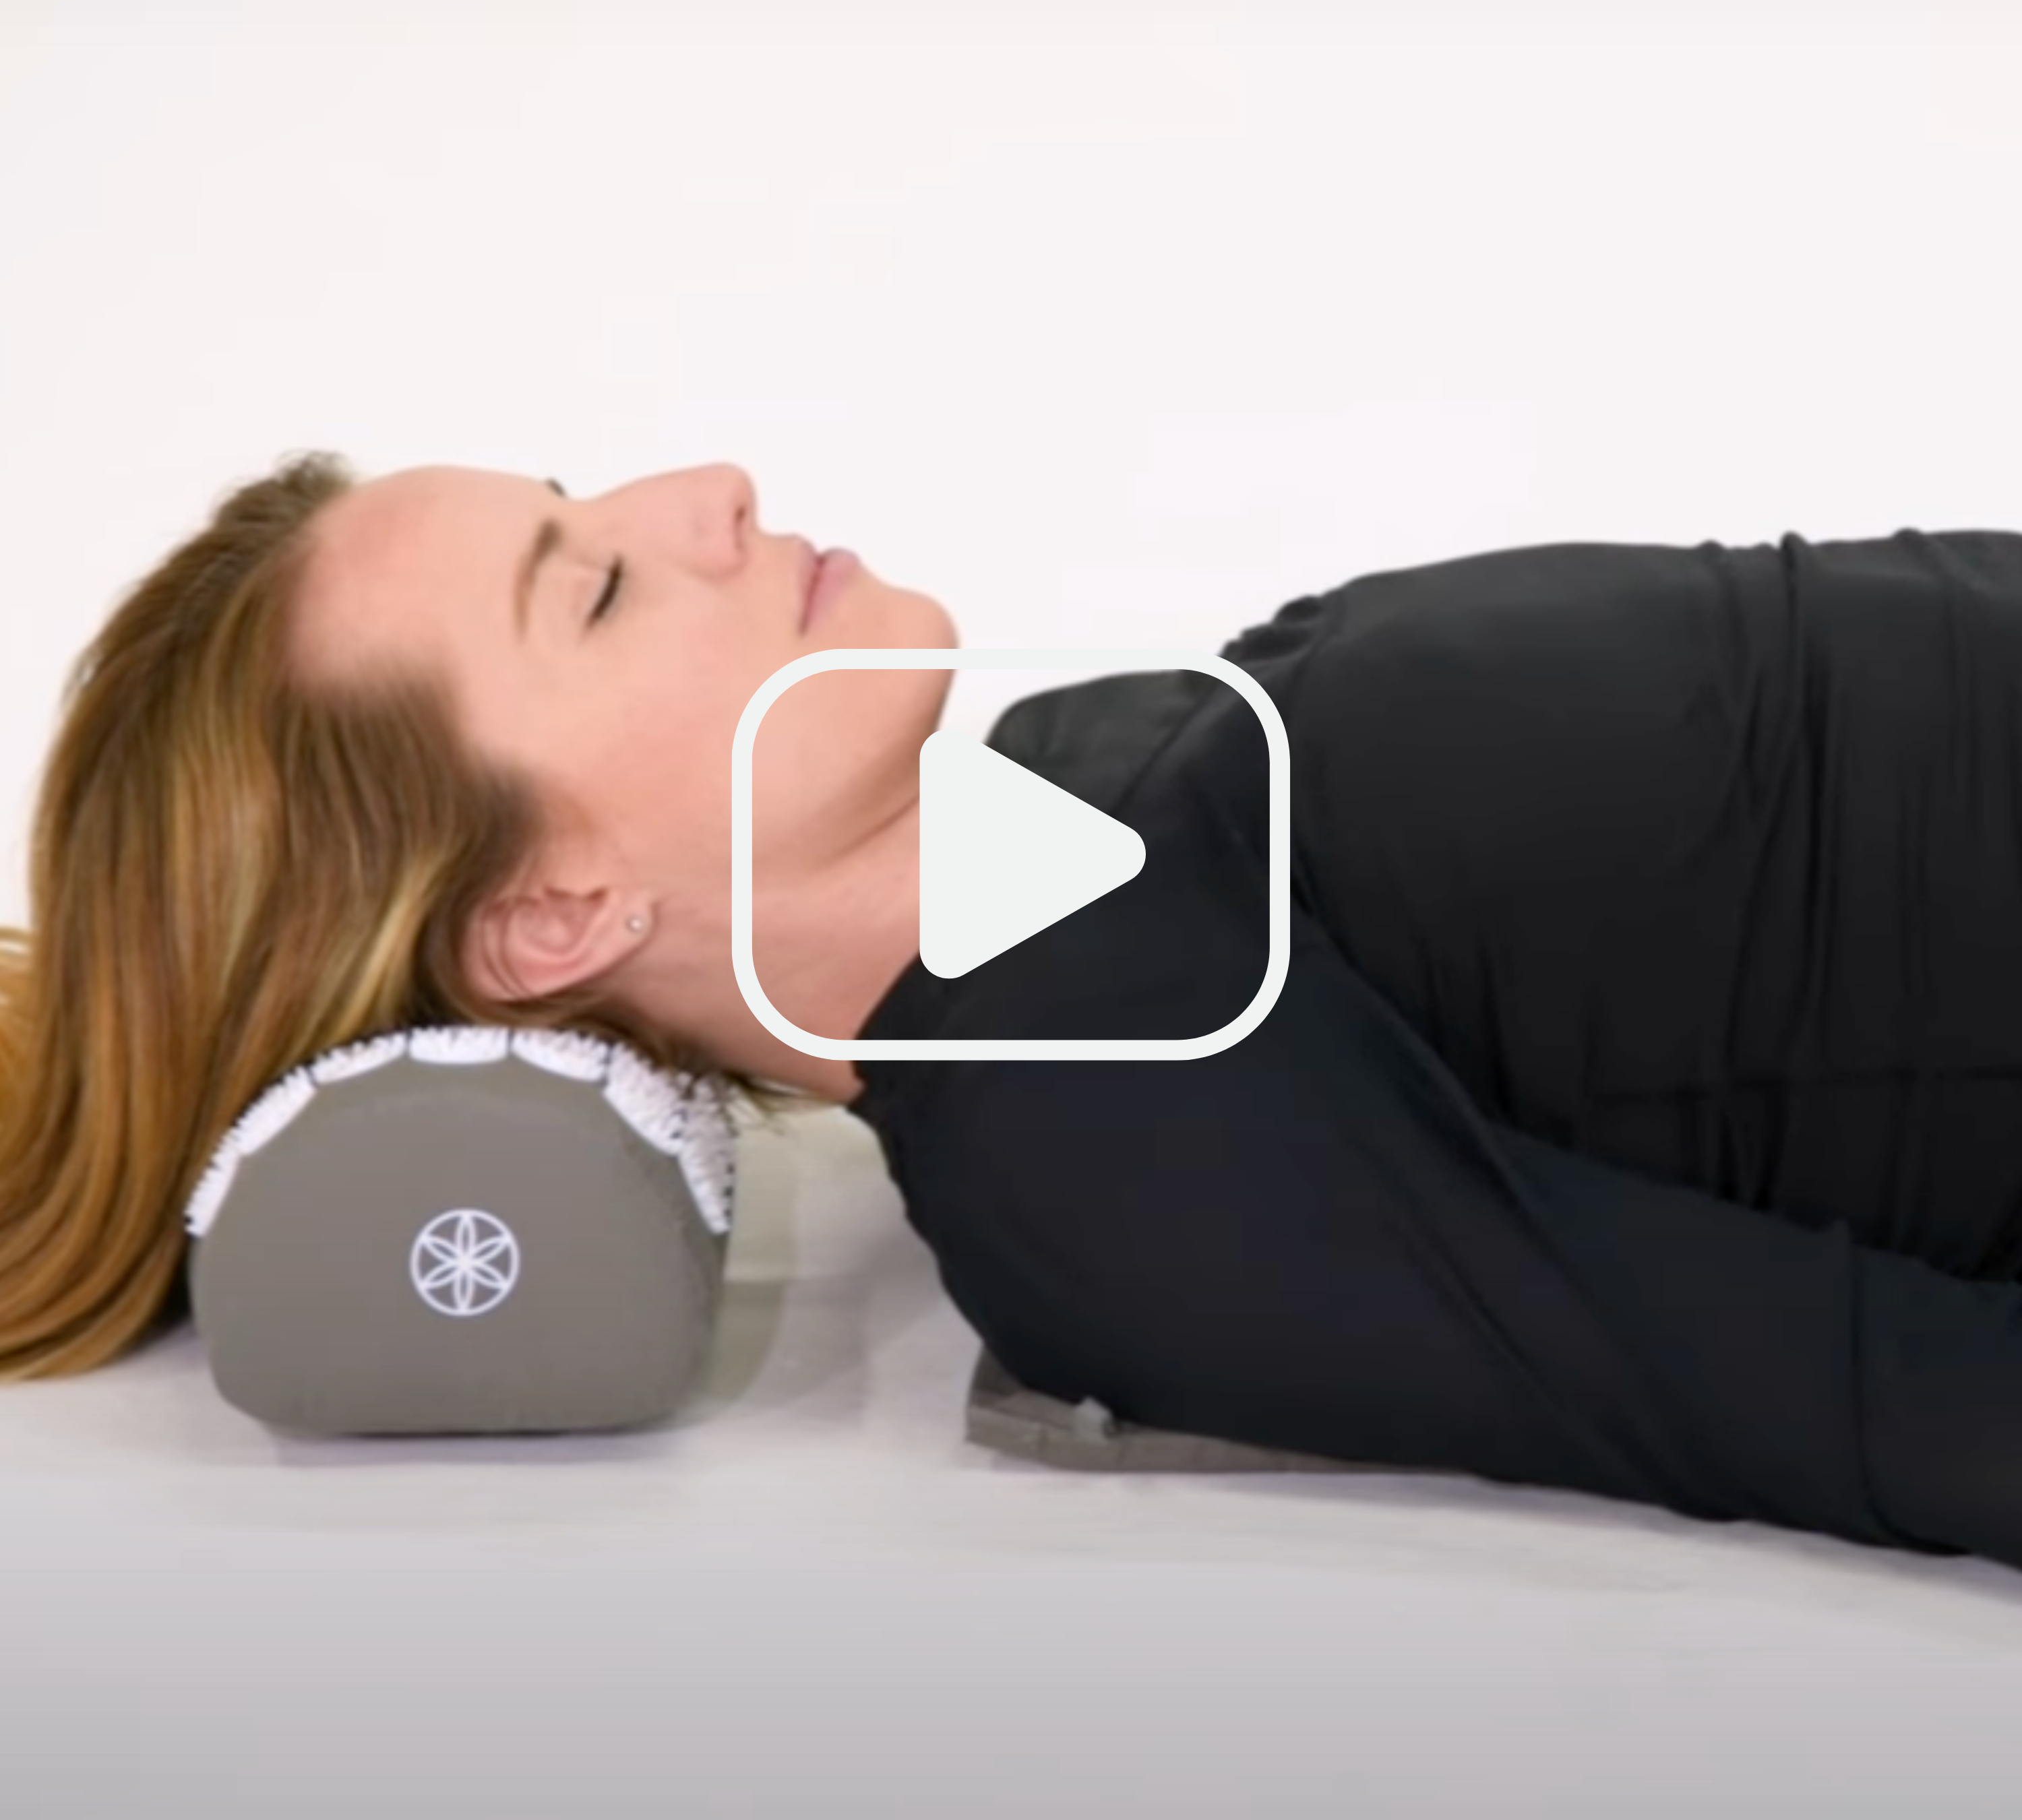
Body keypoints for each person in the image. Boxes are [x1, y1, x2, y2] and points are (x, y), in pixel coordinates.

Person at [8, 454, 2022, 1573]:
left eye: (589, 497)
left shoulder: (1055, 802)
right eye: (597, 587)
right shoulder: (1089, 1144)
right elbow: (1859, 1401)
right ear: (551, 913)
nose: (703, 492)